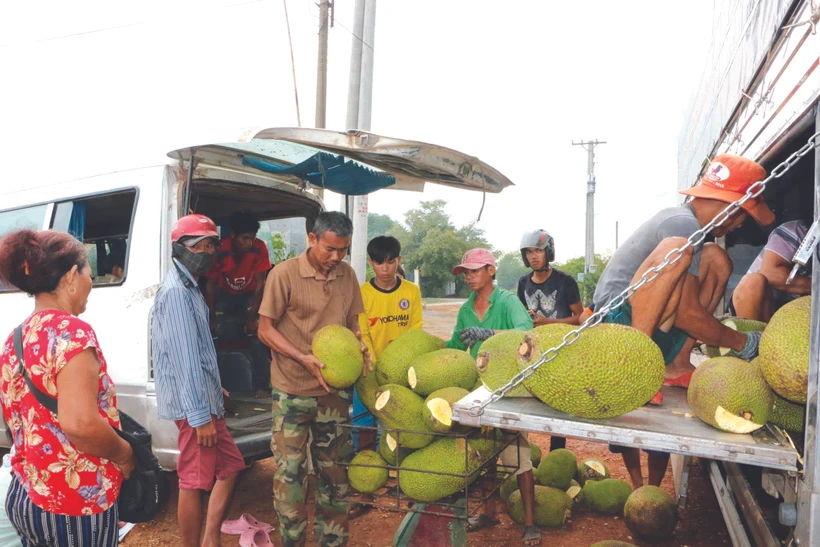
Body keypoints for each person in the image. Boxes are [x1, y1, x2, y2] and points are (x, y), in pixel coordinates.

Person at [591, 154, 773, 488]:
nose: (741, 225)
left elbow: (688, 310)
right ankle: (634, 367)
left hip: (646, 320)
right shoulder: (681, 225)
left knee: (717, 259)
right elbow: (688, 315)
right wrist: (743, 342)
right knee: (680, 248)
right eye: (744, 215)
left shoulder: (696, 231)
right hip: (615, 326)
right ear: (729, 205)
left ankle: (676, 363)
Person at [0, 229, 135, 547]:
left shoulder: (16, 338)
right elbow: (81, 424)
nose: (91, 281)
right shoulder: (71, 332)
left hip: (26, 492)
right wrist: (125, 454)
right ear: (72, 275)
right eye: (89, 270)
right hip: (73, 502)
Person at [257, 211, 371, 547]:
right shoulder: (284, 274)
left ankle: (331, 542)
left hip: (334, 395)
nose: (336, 258)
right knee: (291, 476)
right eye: (330, 249)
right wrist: (301, 358)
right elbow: (265, 329)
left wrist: (359, 342)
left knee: (334, 475)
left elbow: (352, 325)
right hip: (291, 391)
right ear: (312, 239)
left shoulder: (347, 275)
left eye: (343, 250)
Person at [152, 214, 245, 547]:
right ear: (181, 249)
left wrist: (212, 387)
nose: (207, 253)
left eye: (212, 246)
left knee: (231, 466)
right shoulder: (177, 293)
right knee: (192, 481)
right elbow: (184, 359)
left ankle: (210, 539)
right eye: (200, 246)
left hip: (204, 400)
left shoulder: (191, 287)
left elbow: (198, 352)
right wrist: (200, 416)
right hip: (196, 411)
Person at [445, 249, 540, 546]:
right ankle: (488, 513)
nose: (470, 277)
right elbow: (454, 343)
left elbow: (526, 334)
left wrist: (489, 333)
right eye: (466, 273)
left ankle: (530, 522)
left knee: (518, 454)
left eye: (475, 271)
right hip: (478, 387)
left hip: (506, 386)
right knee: (484, 452)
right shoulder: (465, 309)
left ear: (491, 270)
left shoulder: (509, 301)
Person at [516, 229, 582, 453]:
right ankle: (524, 456)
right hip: (533, 351)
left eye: (539, 251)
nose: (533, 256)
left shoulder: (565, 282)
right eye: (529, 252)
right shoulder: (522, 283)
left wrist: (547, 324)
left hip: (561, 351)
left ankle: (556, 455)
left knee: (558, 407)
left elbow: (581, 318)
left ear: (548, 252)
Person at [206, 211, 273, 398]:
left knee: (258, 336)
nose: (249, 243)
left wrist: (253, 317)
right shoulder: (219, 250)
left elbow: (261, 285)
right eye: (244, 238)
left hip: (249, 295)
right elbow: (210, 287)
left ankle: (261, 386)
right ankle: (215, 388)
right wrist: (211, 319)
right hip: (223, 294)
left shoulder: (260, 249)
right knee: (213, 337)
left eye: (252, 238)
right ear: (233, 235)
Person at [732, 219, 812, 321]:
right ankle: (752, 335)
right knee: (753, 281)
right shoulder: (797, 230)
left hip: (792, 318)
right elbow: (771, 273)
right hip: (758, 308)